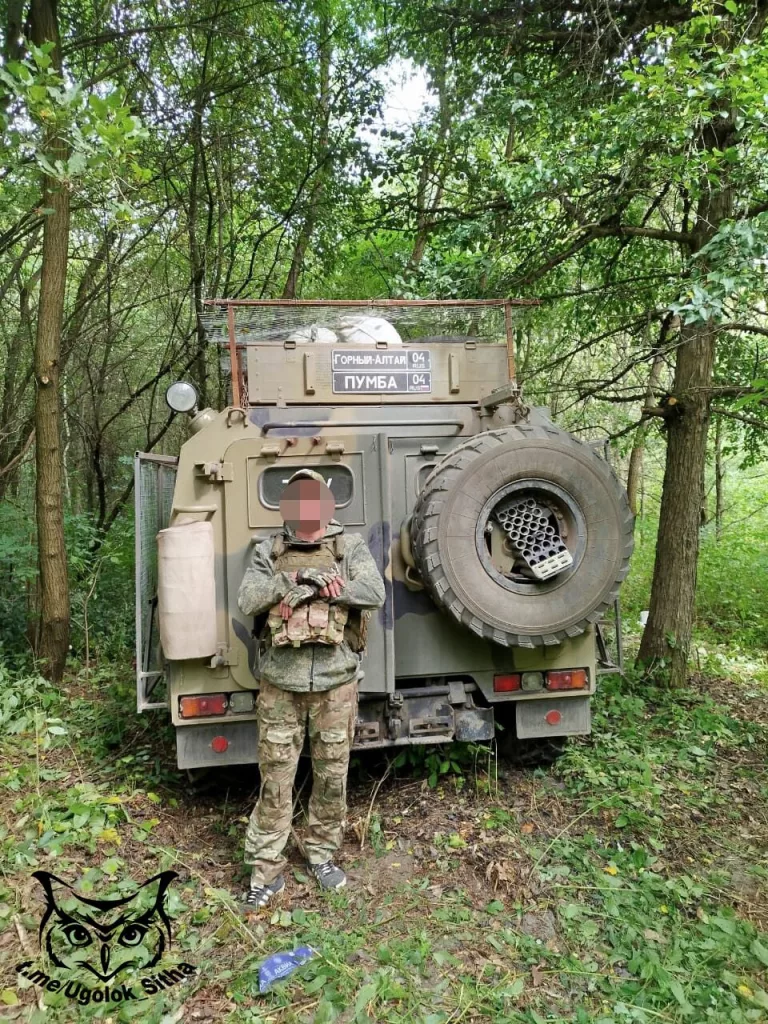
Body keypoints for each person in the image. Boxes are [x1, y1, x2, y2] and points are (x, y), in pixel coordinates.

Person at [237, 469, 386, 909]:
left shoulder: (348, 546)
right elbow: (248, 599)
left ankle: (321, 854)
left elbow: (373, 591)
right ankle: (266, 871)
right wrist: (294, 580)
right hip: (280, 686)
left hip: (336, 686)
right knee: (276, 781)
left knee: (331, 777)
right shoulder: (270, 549)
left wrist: (337, 591)